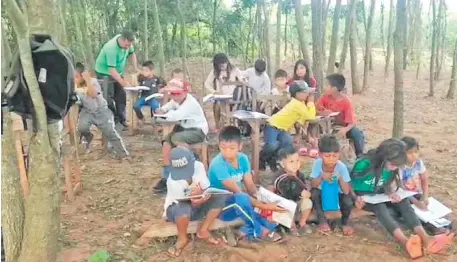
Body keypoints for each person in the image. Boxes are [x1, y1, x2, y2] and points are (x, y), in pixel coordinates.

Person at [351, 139, 454, 259]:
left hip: (380, 192)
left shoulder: (391, 167)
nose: (394, 168)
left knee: (403, 201)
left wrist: (391, 193)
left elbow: (386, 183)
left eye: (397, 166)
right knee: (381, 208)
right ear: (383, 158)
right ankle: (404, 242)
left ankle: (425, 238)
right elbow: (349, 184)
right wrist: (355, 198)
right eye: (393, 165)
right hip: (364, 196)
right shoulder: (364, 164)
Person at [208, 126, 285, 242]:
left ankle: (245, 230)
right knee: (244, 199)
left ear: (240, 146)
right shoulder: (217, 164)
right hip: (221, 207)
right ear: (218, 146)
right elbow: (237, 191)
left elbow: (250, 185)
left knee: (269, 216)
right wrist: (264, 206)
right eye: (223, 148)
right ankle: (259, 231)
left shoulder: (243, 159)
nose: (227, 152)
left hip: (238, 203)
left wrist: (260, 198)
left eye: (231, 148)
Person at [164, 146, 226, 257]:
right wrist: (197, 200)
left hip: (197, 206)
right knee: (182, 207)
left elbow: (206, 187)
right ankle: (182, 238)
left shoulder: (199, 166)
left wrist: (201, 194)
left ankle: (203, 230)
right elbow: (181, 202)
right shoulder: (172, 181)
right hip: (178, 212)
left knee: (220, 197)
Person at [152, 79, 209, 193]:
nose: (174, 96)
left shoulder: (190, 103)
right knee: (167, 142)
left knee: (176, 139)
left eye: (177, 93)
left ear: (185, 92)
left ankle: (189, 166)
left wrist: (163, 114)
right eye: (172, 93)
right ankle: (167, 176)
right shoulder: (176, 101)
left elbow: (176, 116)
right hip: (185, 127)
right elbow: (168, 106)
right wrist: (162, 109)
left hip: (197, 130)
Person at [74, 62, 129, 159]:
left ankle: (123, 154)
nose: (75, 79)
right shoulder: (75, 86)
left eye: (77, 77)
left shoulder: (93, 81)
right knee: (82, 127)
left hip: (101, 111)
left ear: (83, 75)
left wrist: (87, 80)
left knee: (110, 132)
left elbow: (93, 94)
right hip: (87, 111)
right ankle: (88, 136)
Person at [260, 81, 316, 171]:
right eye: (305, 92)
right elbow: (310, 116)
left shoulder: (299, 104)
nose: (307, 94)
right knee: (272, 145)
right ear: (297, 94)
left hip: (282, 129)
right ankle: (261, 158)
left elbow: (301, 120)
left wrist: (299, 132)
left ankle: (273, 161)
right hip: (272, 126)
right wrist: (311, 102)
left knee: (287, 145)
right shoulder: (297, 104)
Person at [310, 135, 353, 235]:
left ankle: (344, 223)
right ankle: (322, 221)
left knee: (348, 202)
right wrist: (321, 176)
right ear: (320, 154)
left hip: (337, 194)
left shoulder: (341, 167)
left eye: (335, 156)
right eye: (327, 156)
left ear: (339, 154)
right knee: (314, 194)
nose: (331, 159)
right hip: (322, 192)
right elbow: (313, 185)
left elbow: (346, 191)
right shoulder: (317, 164)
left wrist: (340, 179)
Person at [95, 30, 139, 128]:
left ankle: (122, 119)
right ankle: (114, 120)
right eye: (127, 45)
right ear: (123, 40)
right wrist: (123, 83)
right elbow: (112, 70)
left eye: (130, 45)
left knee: (121, 96)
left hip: (118, 72)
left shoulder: (128, 43)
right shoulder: (111, 48)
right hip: (104, 73)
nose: (128, 47)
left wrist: (135, 68)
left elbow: (132, 54)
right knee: (108, 98)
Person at [316, 74, 365, 157]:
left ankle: (360, 154)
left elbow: (352, 122)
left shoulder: (346, 102)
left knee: (357, 133)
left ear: (334, 88)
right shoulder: (324, 97)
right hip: (326, 125)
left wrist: (345, 129)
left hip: (343, 126)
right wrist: (322, 113)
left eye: (327, 85)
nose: (324, 87)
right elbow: (315, 109)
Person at [273, 146, 313, 235]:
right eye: (291, 162)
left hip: (297, 201)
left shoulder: (300, 175)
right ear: (282, 164)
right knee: (288, 203)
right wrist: (300, 193)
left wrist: (306, 193)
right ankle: (292, 225)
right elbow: (285, 190)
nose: (295, 164)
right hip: (284, 203)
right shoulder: (280, 176)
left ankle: (302, 223)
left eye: (297, 161)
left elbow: (303, 187)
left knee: (307, 202)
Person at [204, 53, 245, 130]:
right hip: (221, 97)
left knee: (238, 105)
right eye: (219, 65)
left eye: (223, 64)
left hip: (233, 96)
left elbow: (242, 80)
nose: (221, 67)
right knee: (217, 105)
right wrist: (214, 91)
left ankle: (235, 125)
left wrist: (242, 81)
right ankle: (218, 126)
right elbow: (207, 83)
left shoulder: (235, 70)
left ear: (227, 62)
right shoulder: (215, 71)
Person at [400, 136, 429, 210]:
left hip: (416, 193)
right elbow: (400, 188)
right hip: (404, 196)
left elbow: (424, 180)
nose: (414, 155)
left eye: (416, 152)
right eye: (410, 153)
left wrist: (425, 195)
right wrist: (416, 202)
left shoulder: (418, 163)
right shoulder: (399, 167)